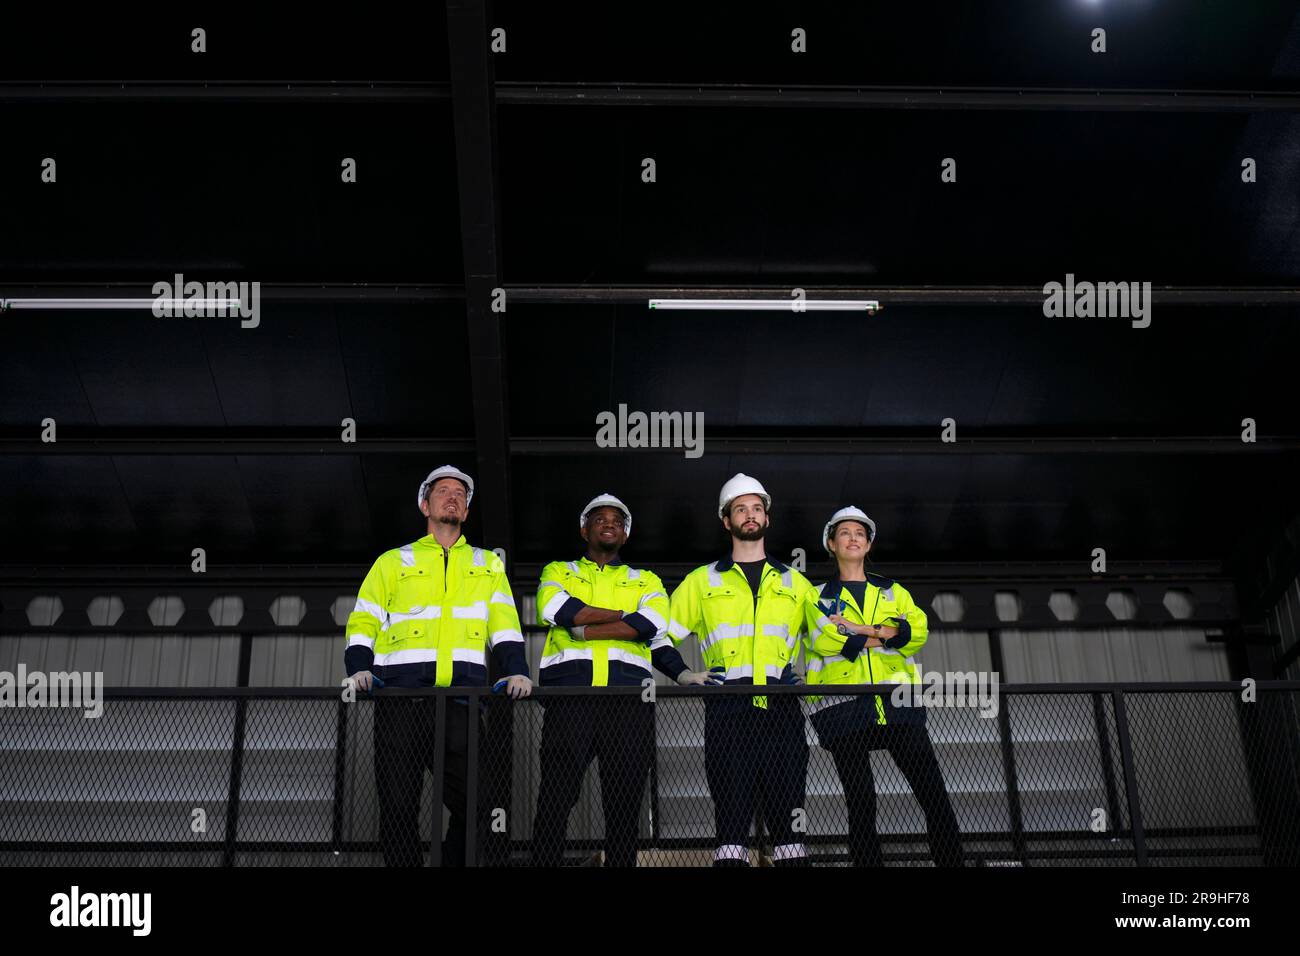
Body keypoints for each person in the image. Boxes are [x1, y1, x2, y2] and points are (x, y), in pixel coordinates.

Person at [343, 465, 532, 866]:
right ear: (425, 504)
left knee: (480, 806)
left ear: (465, 512)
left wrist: (517, 669)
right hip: (401, 701)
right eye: (444, 491)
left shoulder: (487, 565)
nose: (453, 497)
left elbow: (504, 625)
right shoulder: (393, 562)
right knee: (396, 810)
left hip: (462, 704)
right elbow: (364, 620)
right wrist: (359, 666)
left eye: (461, 495)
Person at [531, 493, 714, 867]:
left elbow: (653, 626)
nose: (609, 522)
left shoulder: (644, 579)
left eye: (617, 519)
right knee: (554, 800)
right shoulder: (558, 571)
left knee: (624, 806)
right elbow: (556, 609)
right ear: (585, 529)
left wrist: (681, 673)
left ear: (626, 535)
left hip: (629, 705)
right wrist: (624, 616)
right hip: (570, 701)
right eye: (599, 518)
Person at [666, 473, 815, 867]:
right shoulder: (701, 581)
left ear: (766, 518)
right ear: (725, 520)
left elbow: (826, 641)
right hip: (728, 710)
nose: (749, 515)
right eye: (740, 509)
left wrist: (810, 680)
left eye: (756, 508)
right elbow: (660, 636)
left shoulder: (795, 582)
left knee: (790, 831)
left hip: (782, 710)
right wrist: (683, 674)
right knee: (731, 827)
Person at [803, 506, 964, 868]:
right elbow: (827, 639)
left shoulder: (894, 591)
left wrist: (859, 630)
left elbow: (918, 633)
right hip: (842, 708)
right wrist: (890, 633)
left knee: (934, 795)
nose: (853, 537)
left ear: (869, 542)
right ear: (831, 543)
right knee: (861, 801)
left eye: (860, 532)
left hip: (899, 703)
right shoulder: (815, 596)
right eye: (844, 532)